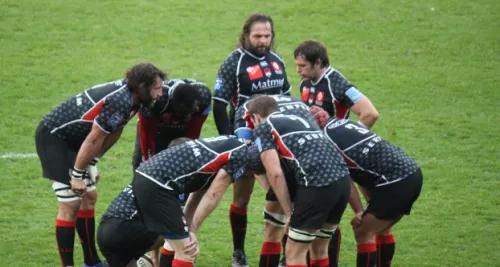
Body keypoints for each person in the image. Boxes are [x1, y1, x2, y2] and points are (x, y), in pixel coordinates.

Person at [35, 63, 166, 267]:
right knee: (70, 204)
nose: (160, 93)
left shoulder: (135, 99)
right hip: (55, 139)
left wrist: (93, 162)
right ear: (142, 85)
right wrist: (78, 173)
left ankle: (91, 262)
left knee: (89, 197)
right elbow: (93, 139)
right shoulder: (119, 100)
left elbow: (115, 130)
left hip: (75, 141)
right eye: (156, 88)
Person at [212, 13, 292, 265]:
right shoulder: (233, 63)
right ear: (246, 35)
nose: (263, 41)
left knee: (281, 194)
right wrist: (230, 140)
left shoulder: (278, 60)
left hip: (276, 139)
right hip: (245, 139)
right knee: (242, 198)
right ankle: (239, 253)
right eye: (258, 36)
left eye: (267, 36)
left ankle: (284, 254)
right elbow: (219, 104)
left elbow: (287, 99)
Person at [293, 40, 380, 266]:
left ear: (318, 63)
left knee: (364, 219)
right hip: (318, 160)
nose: (298, 70)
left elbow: (370, 113)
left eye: (302, 66)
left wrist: (348, 140)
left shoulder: (336, 83)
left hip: (339, 160)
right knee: (324, 222)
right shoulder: (306, 83)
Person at [311, 106, 423, 267]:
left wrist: (358, 210)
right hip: (410, 172)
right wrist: (368, 206)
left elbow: (346, 180)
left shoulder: (326, 143)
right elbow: (362, 172)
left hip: (395, 182)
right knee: (382, 229)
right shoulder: (342, 123)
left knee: (363, 231)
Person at [248, 95, 351, 267]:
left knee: (294, 253)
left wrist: (289, 213)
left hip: (317, 184)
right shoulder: (300, 118)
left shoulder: (264, 127)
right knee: (320, 250)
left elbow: (275, 173)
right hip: (343, 181)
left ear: (256, 116)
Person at [131, 135, 264, 267]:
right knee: (187, 250)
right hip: (159, 185)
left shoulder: (232, 144)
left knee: (179, 242)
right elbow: (213, 195)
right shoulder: (240, 157)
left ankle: (127, 251)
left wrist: (189, 227)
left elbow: (199, 190)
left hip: (148, 177)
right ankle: (125, 251)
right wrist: (193, 230)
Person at [234, 94, 320, 267]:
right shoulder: (299, 109)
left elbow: (267, 168)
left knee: (276, 230)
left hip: (298, 170)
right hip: (328, 172)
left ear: (255, 116)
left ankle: (284, 258)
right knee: (321, 233)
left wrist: (286, 206)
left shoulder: (256, 122)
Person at [97, 138, 190, 267]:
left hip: (105, 232)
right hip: (127, 230)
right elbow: (170, 222)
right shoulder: (172, 181)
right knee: (180, 230)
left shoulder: (151, 173)